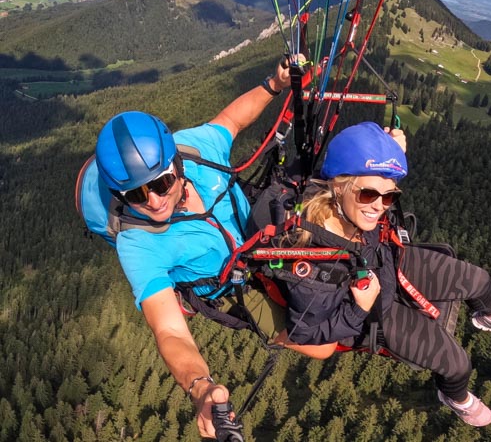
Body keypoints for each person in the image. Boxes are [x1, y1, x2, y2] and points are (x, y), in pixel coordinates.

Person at [82, 55, 333, 439]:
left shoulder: (192, 150)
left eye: (162, 183)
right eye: (136, 194)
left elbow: (230, 122)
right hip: (236, 287)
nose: (153, 201)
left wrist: (274, 84)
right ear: (119, 196)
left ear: (176, 166)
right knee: (322, 346)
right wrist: (200, 387)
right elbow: (169, 330)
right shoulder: (138, 243)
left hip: (258, 233)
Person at [280, 121, 491, 427]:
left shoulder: (341, 190)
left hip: (389, 263)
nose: (378, 207)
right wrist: (358, 308)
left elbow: (353, 164)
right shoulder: (311, 260)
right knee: (457, 365)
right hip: (374, 314)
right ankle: (456, 398)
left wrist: (391, 150)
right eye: (369, 195)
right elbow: (305, 333)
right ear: (338, 186)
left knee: (479, 280)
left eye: (389, 196)